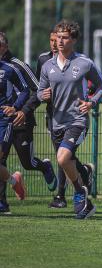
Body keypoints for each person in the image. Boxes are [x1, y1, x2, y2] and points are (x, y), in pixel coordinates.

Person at [37, 19, 102, 219]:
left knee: (62, 158)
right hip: (56, 121)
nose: (60, 41)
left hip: (77, 120)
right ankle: (85, 199)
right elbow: (40, 91)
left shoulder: (84, 63)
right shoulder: (47, 65)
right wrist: (43, 96)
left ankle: (77, 192)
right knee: (67, 161)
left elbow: (101, 86)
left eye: (65, 37)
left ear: (73, 40)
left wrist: (91, 103)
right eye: (58, 37)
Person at [0, 32, 57, 212]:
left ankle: (45, 167)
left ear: (5, 47)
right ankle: (2, 203)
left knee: (27, 162)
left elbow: (36, 90)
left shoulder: (17, 65)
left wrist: (21, 110)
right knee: (1, 159)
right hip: (5, 120)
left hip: (22, 120)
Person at [0, 59, 29, 213]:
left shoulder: (10, 69)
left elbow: (25, 89)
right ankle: (14, 180)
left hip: (3, 120)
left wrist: (15, 107)